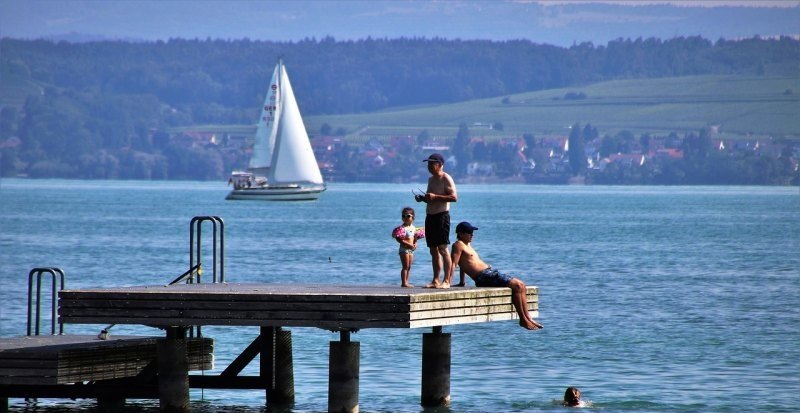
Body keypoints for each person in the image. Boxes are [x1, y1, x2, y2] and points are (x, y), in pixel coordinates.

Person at [448, 221, 543, 330]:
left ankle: (528, 318)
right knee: (517, 286)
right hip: (483, 276)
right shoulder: (457, 245)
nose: (472, 235)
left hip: (490, 273)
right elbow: (454, 264)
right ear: (460, 233)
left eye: (472, 232)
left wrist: (462, 282)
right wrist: (448, 282)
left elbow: (464, 264)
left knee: (521, 285)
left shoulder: (467, 245)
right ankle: (523, 320)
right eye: (469, 232)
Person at [415, 153, 458, 289]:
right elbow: (431, 198)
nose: (429, 166)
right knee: (433, 250)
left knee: (443, 249)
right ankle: (435, 280)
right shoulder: (431, 179)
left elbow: (454, 197)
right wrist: (423, 198)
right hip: (430, 216)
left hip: (441, 216)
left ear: (440, 165)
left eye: (432, 164)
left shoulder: (446, 178)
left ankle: (446, 281)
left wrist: (435, 196)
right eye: (428, 164)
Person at [391, 207, 425, 288]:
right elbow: (399, 240)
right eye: (403, 216)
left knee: (409, 266)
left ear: (413, 217)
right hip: (404, 249)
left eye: (408, 216)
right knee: (405, 266)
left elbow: (415, 238)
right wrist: (409, 245)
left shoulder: (413, 228)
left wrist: (415, 243)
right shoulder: (402, 228)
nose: (405, 218)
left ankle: (407, 281)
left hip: (411, 250)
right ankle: (403, 282)